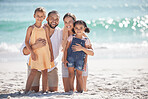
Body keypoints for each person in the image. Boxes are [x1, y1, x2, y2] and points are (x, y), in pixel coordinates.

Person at [21, 10, 62, 92]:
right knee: (33, 79)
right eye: (51, 18)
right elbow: (25, 47)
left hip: (47, 57)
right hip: (35, 56)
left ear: (44, 17)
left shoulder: (55, 30)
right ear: (47, 19)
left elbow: (49, 42)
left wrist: (52, 55)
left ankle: (44, 91)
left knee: (46, 75)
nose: (54, 21)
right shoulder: (31, 28)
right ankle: (26, 91)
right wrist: (33, 50)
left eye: (56, 19)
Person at [62, 13, 94, 92]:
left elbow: (90, 52)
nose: (78, 29)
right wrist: (65, 59)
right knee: (71, 75)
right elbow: (66, 49)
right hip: (70, 59)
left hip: (80, 60)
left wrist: (85, 61)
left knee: (80, 76)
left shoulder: (85, 39)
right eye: (65, 22)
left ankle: (80, 91)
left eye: (70, 21)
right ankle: (71, 90)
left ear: (84, 28)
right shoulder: (69, 36)